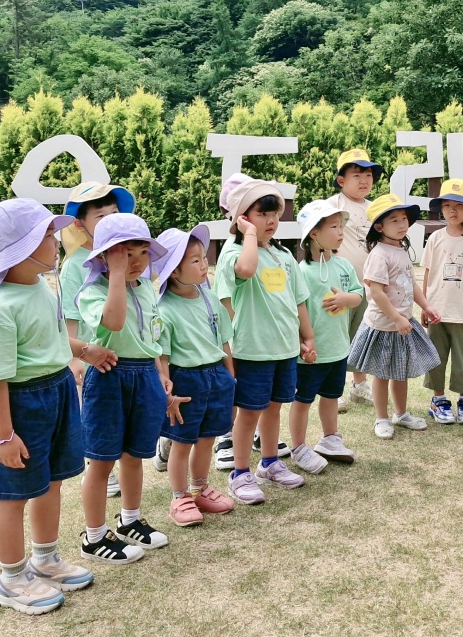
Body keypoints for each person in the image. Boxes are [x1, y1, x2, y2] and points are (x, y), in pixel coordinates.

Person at [0, 198, 117, 614]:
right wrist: (4, 437)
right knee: (13, 494)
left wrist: (84, 350)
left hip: (57, 391)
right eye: (47, 235)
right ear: (20, 247)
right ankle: (11, 579)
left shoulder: (40, 286)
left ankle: (45, 558)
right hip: (22, 404)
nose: (56, 241)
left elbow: (50, 337)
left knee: (51, 482)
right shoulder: (0, 309)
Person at [215, 174, 318, 505]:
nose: (271, 221)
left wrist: (307, 337)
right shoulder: (234, 252)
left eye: (275, 214)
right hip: (251, 350)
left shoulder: (283, 254)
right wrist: (247, 234)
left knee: (274, 409)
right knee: (249, 413)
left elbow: (299, 300)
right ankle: (240, 473)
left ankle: (270, 463)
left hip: (283, 349)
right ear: (242, 218)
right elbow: (246, 270)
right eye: (262, 214)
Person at [75, 212, 171, 562]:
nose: (137, 262)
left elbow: (152, 336)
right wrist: (115, 274)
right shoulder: (92, 291)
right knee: (101, 462)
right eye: (125, 255)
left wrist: (160, 373)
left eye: (143, 253)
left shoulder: (146, 288)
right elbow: (114, 322)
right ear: (104, 257)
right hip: (110, 377)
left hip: (144, 375)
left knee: (134, 456)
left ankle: (130, 520)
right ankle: (94, 536)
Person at [152, 225, 238, 525]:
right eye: (195, 260)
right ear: (174, 271)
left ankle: (200, 488)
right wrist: (167, 392)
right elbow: (162, 355)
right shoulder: (163, 309)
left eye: (204, 258)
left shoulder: (209, 297)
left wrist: (229, 377)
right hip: (185, 380)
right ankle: (180, 497)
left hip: (216, 376)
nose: (204, 265)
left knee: (207, 438)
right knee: (183, 441)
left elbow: (223, 340)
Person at [60, 182, 133, 500]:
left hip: (127, 352)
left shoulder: (126, 253)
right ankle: (100, 464)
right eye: (100, 216)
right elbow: (69, 315)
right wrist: (75, 356)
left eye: (114, 213)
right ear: (80, 224)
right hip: (94, 356)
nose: (109, 220)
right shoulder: (74, 265)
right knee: (98, 414)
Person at [349, 194, 441, 439]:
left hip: (402, 324)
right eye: (395, 220)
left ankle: (401, 414)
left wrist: (426, 306)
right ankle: (381, 418)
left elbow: (411, 284)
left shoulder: (400, 249)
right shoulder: (379, 254)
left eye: (404, 219)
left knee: (401, 372)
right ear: (379, 227)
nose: (402, 224)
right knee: (381, 374)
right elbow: (376, 292)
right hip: (384, 325)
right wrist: (397, 318)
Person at [294, 199, 365, 466]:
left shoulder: (344, 265)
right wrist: (302, 343)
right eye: (333, 227)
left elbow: (358, 294)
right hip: (311, 355)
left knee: (332, 396)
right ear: (314, 233)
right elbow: (294, 311)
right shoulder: (301, 272)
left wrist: (347, 298)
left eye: (341, 226)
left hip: (338, 348)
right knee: (302, 400)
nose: (340, 232)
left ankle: (330, 439)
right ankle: (299, 447)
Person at [420, 179, 463, 426]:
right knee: (435, 357)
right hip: (437, 310)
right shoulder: (435, 238)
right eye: (447, 205)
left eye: (459, 205)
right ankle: (438, 400)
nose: (452, 210)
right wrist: (424, 305)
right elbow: (428, 272)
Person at [324, 148, 384, 411]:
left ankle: (359, 385)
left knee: (363, 335)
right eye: (357, 175)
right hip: (339, 285)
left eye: (368, 175)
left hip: (368, 285)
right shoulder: (332, 206)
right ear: (341, 180)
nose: (364, 181)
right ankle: (334, 389)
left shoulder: (375, 209)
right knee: (337, 337)